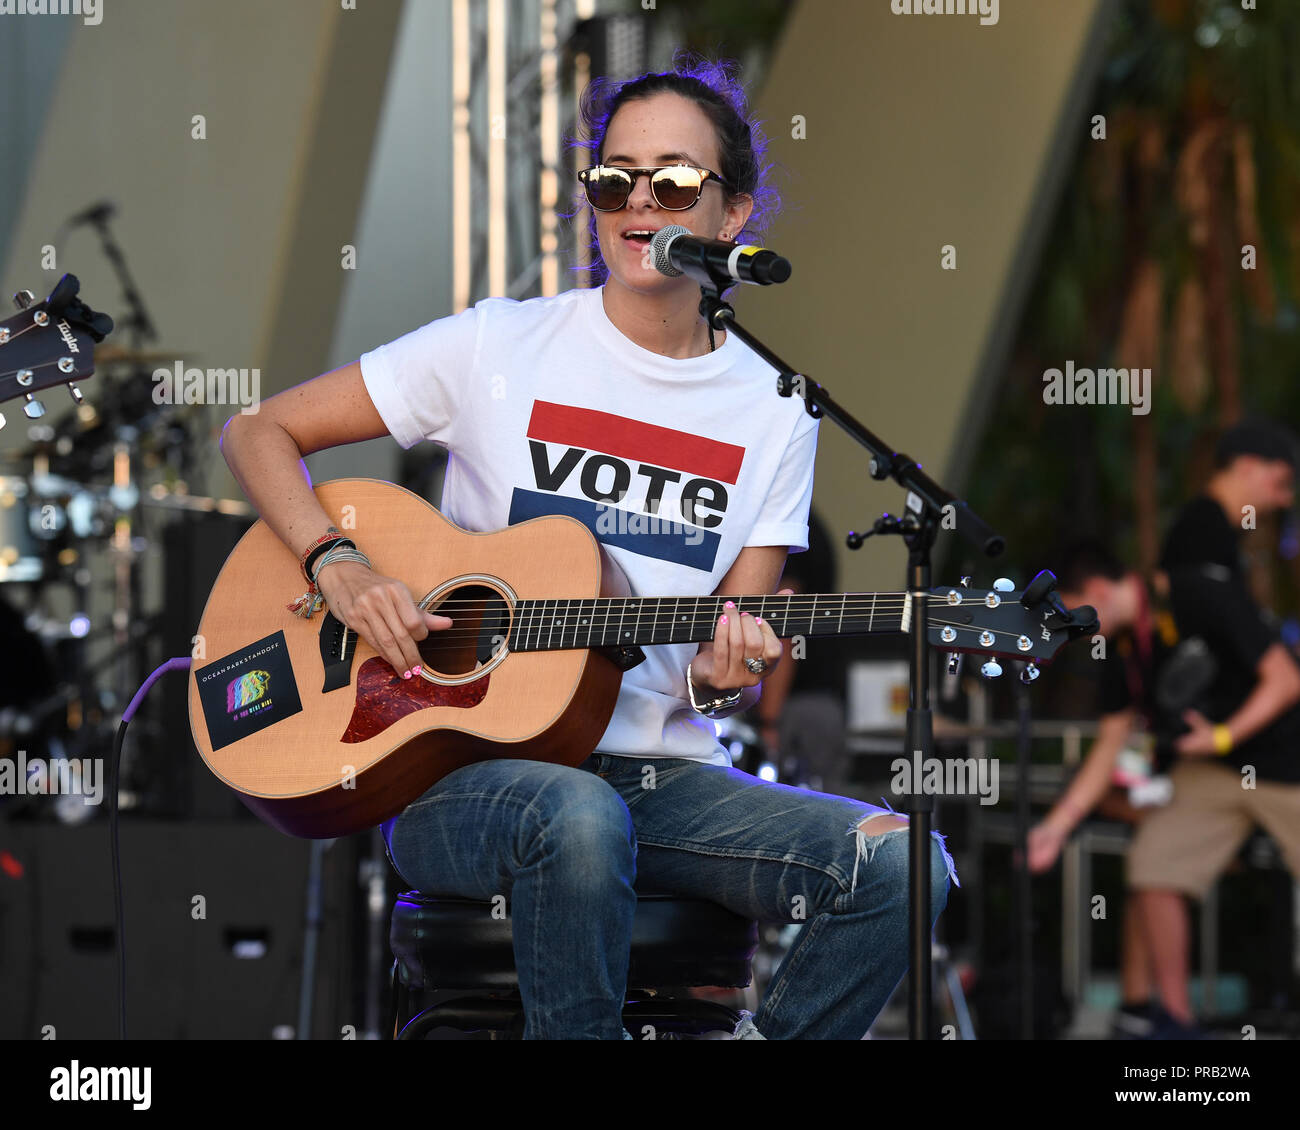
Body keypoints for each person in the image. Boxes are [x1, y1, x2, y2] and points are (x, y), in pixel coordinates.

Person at [219, 56, 956, 1040]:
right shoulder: (495, 345)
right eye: (614, 179)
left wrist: (729, 671)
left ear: (733, 215)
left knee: (908, 867)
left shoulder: (776, 407)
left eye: (674, 181)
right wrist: (336, 563)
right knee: (575, 813)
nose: (638, 201)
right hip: (461, 772)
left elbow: (717, 658)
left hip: (665, 781)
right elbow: (256, 431)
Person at [1031, 421, 1300, 1038]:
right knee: (1155, 862)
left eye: (1074, 621)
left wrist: (1225, 736)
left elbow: (1285, 680)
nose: (1077, 638)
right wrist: (1056, 827)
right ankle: (1174, 1027)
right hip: (1213, 768)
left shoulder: (1199, 589)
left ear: (1097, 590)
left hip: (1284, 758)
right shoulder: (1121, 650)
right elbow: (1109, 745)